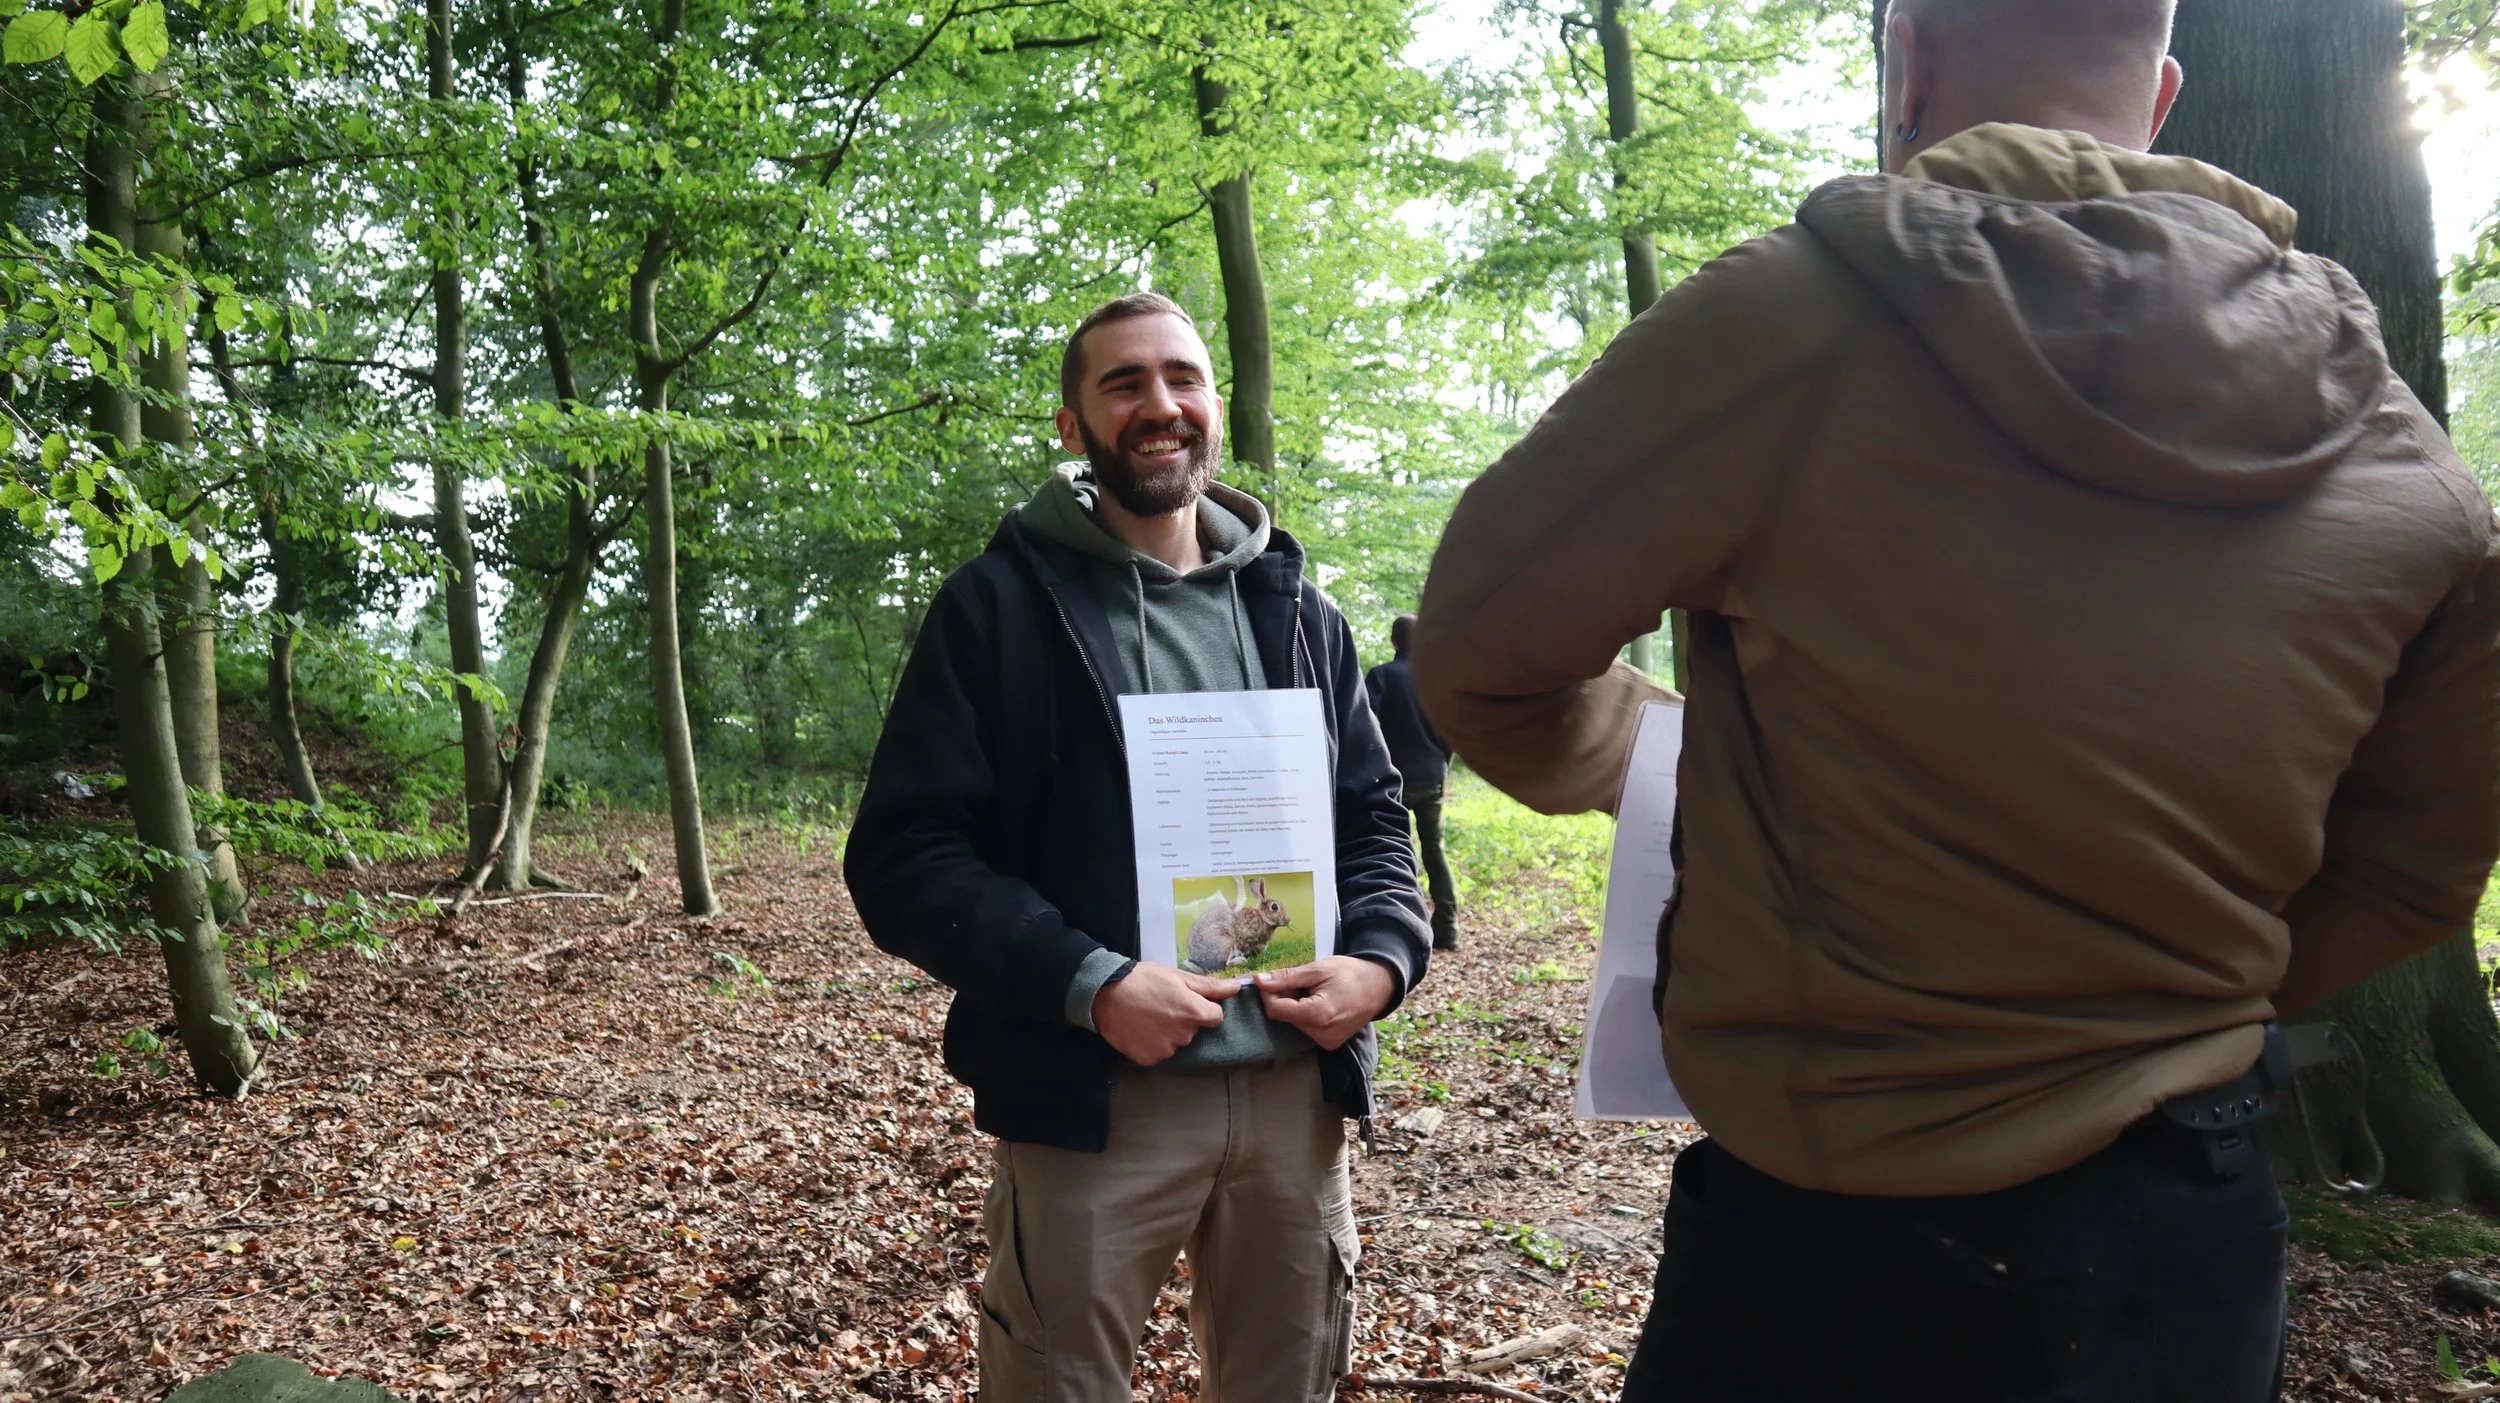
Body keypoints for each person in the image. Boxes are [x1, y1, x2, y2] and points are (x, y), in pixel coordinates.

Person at [1412, 0, 2500, 1398]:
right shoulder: (2405, 452)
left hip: (1825, 1223)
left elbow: (1478, 657)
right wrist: (2176, 991)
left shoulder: (1779, 328)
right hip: (2186, 1228)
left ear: (1909, 64)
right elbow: (2417, 869)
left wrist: (1645, 748)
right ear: (2161, 95)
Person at [843, 291, 1431, 1403]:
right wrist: (1092, 983)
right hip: (1094, 1097)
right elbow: (907, 856)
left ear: (1213, 404)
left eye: (1182, 377)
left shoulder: (1301, 613)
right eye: (1124, 384)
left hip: (1292, 1095)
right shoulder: (998, 609)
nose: (1160, 403)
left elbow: (1372, 819)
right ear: (1073, 426)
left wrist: (1383, 961)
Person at [1366, 613, 1459, 951]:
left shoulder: (1382, 677)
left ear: (1394, 641)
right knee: (1434, 848)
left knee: (1397, 849)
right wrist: (1441, 765)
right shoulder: (1438, 681)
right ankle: (1447, 929)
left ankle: (1409, 930)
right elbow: (1452, 732)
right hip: (1432, 777)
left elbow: (1365, 726)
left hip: (1394, 780)